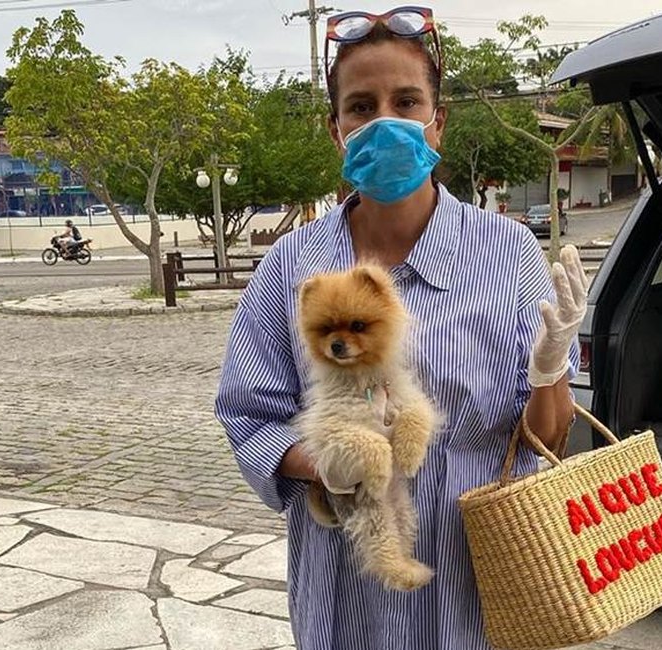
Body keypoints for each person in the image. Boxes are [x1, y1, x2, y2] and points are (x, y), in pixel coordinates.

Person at [215, 6, 583, 649]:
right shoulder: (294, 266)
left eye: (406, 100)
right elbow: (247, 413)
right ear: (336, 131)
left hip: (481, 569)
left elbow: (545, 438)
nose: (384, 120)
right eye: (361, 105)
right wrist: (328, 465)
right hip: (348, 566)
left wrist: (551, 369)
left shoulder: (509, 253)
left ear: (437, 123)